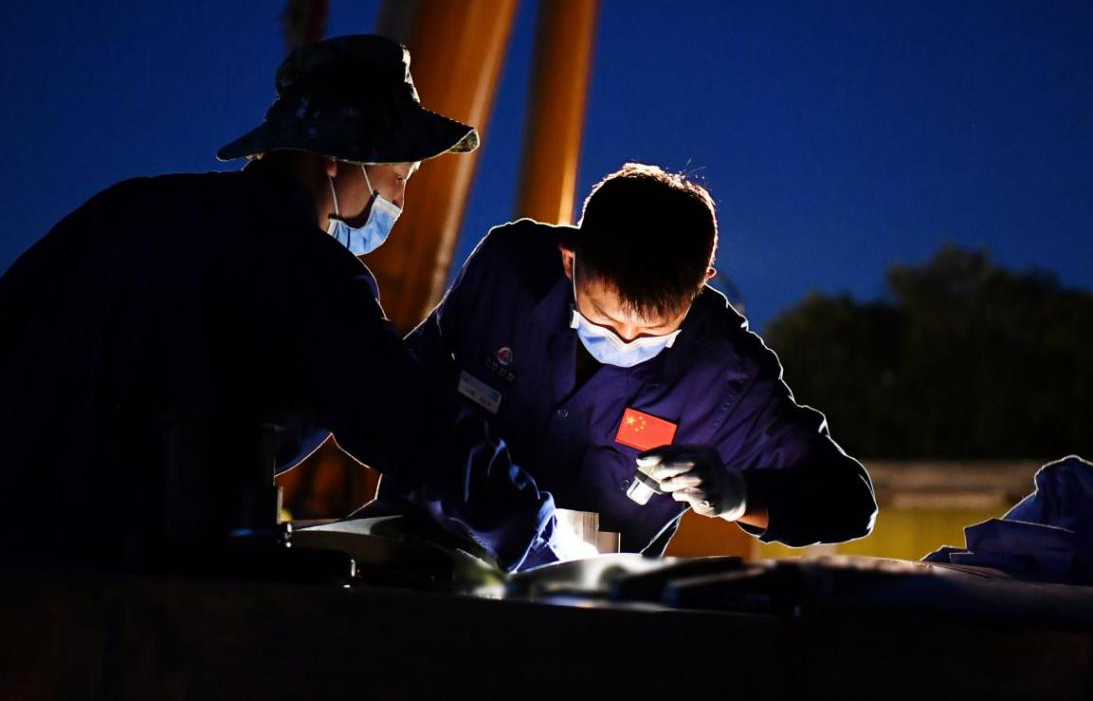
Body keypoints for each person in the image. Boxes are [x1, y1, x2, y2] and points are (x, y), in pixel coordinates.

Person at [0, 35, 569, 572]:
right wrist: (530, 524)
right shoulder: (304, 268)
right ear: (335, 156)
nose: (399, 197)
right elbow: (401, 416)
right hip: (111, 573)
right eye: (399, 174)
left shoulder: (131, 209)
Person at [386, 163, 877, 555]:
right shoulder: (508, 269)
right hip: (417, 555)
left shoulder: (726, 374)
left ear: (700, 285)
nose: (623, 341)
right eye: (603, 319)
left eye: (652, 331)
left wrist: (739, 496)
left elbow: (850, 501)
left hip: (573, 617)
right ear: (570, 259)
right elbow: (402, 383)